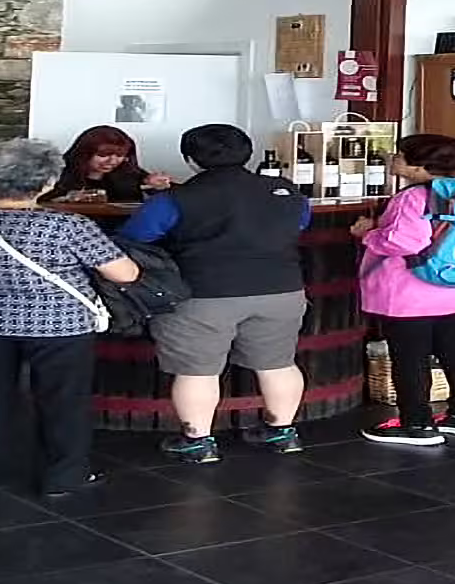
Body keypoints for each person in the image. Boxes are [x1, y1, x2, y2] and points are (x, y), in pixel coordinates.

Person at [0, 139, 140, 499]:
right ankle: (65, 475)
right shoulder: (66, 225)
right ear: (47, 183)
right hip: (58, 324)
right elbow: (125, 274)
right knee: (63, 400)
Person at [117, 124, 310, 464]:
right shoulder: (285, 190)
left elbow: (135, 236)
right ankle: (283, 433)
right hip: (282, 288)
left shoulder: (175, 200)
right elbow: (298, 224)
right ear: (247, 152)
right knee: (278, 363)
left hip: (203, 294)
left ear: (190, 159)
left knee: (197, 370)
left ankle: (198, 442)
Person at [350, 134, 455, 447]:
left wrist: (367, 234)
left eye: (400, 155)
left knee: (410, 357)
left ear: (418, 165)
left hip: (413, 291)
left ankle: (417, 423)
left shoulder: (412, 197)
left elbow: (403, 242)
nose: (393, 159)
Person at [41, 125, 172, 203]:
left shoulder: (130, 172)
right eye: (103, 155)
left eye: (120, 156)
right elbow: (38, 201)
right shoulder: (56, 172)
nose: (113, 161)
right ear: (84, 153)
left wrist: (155, 186)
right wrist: (65, 198)